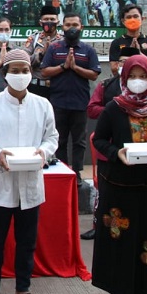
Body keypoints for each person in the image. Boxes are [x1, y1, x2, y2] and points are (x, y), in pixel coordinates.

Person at [0, 49, 58, 294]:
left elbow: (52, 137)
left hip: (30, 185)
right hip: (1, 184)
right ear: (5, 74)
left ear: (31, 73)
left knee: (27, 241)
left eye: (25, 71)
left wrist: (44, 152)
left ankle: (23, 288)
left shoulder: (43, 105)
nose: (21, 75)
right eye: (15, 71)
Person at [91, 55, 147, 294]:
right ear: (124, 78)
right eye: (132, 76)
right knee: (121, 238)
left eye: (143, 77)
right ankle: (120, 292)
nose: (137, 81)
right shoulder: (114, 107)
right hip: (120, 185)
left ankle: (143, 290)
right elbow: (99, 139)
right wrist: (116, 153)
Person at [81, 47, 141, 240]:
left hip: (138, 148)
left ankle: (132, 228)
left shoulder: (146, 88)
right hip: (109, 147)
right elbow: (91, 109)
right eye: (123, 62)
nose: (127, 66)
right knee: (104, 192)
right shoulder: (106, 86)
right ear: (115, 65)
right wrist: (114, 109)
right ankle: (100, 227)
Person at [41, 12, 101, 185]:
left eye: (75, 25)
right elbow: (44, 71)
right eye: (68, 25)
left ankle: (77, 172)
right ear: (62, 27)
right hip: (58, 102)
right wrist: (63, 66)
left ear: (81, 27)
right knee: (59, 139)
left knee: (79, 140)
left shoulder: (88, 50)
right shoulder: (54, 48)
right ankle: (62, 169)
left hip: (80, 102)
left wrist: (75, 68)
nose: (71, 28)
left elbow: (94, 74)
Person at [109, 4, 147, 76]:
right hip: (124, 82)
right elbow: (114, 70)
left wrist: (139, 54)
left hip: (146, 81)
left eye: (135, 16)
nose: (132, 19)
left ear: (142, 19)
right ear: (123, 21)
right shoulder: (117, 42)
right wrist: (130, 53)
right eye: (128, 17)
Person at [22, 5, 62, 99]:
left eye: (52, 19)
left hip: (56, 87)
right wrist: (41, 54)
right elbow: (25, 61)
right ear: (40, 22)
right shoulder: (33, 39)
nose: (49, 22)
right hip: (36, 87)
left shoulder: (63, 41)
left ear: (58, 22)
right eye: (46, 19)